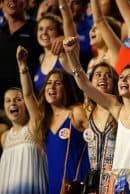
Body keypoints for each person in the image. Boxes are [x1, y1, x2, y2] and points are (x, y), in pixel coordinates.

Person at [62, 36, 130, 194]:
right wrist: (72, 55)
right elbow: (85, 85)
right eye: (121, 77)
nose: (124, 79)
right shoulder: (116, 108)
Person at [15, 46, 90, 194]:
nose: (52, 86)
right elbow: (29, 95)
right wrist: (23, 66)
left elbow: (99, 137)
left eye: (58, 83)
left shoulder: (76, 112)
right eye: (48, 83)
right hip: (53, 188)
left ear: (66, 88)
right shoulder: (43, 119)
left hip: (78, 187)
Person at [0, 46, 49, 193]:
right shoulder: (4, 138)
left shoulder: (34, 126)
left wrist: (23, 66)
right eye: (8, 101)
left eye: (17, 99)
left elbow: (28, 94)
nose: (12, 103)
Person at [83, 63, 119, 194]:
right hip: (93, 186)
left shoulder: (120, 110)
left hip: (117, 185)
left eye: (108, 75)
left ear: (115, 83)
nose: (102, 78)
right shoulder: (85, 113)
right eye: (98, 75)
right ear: (90, 82)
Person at [0, 0, 42, 109]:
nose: (12, 1)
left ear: (26, 2)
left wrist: (59, 40)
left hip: (29, 105)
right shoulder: (1, 31)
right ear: (1, 3)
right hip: (2, 105)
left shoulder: (37, 30)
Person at [34, 13, 70, 93]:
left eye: (50, 29)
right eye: (40, 29)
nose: (44, 33)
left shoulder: (64, 55)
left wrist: (65, 39)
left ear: (59, 32)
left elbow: (72, 39)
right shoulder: (41, 58)